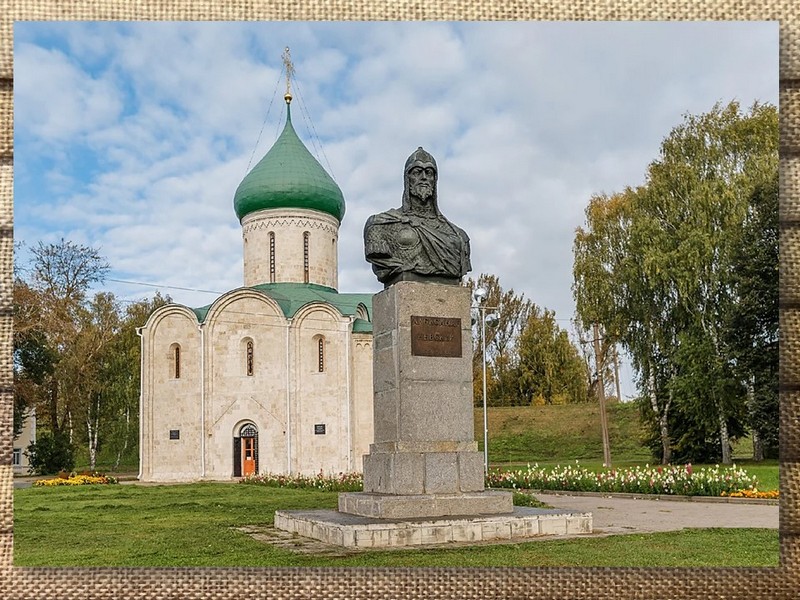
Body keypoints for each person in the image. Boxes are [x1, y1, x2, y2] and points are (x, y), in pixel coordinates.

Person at [364, 147, 471, 287]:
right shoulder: (380, 225)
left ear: (434, 180)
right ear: (407, 179)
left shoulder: (459, 236)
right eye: (417, 172)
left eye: (429, 172)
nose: (424, 177)